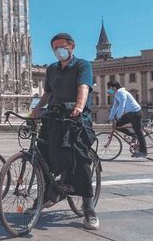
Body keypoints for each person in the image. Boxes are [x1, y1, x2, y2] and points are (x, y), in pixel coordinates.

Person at [32, 33, 99, 231]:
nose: (58, 51)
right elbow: (48, 93)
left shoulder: (82, 65)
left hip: (76, 118)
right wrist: (36, 110)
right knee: (41, 153)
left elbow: (83, 87)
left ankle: (89, 209)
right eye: (55, 48)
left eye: (61, 47)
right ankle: (45, 196)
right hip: (54, 116)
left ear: (72, 46)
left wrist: (79, 107)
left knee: (80, 158)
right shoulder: (52, 69)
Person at [106, 80, 146, 158]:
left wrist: (118, 117)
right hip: (129, 113)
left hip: (135, 113)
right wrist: (110, 118)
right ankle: (133, 135)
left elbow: (122, 106)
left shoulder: (121, 93)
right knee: (117, 125)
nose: (108, 89)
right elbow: (114, 107)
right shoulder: (117, 94)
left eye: (109, 88)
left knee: (139, 132)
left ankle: (143, 152)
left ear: (114, 87)